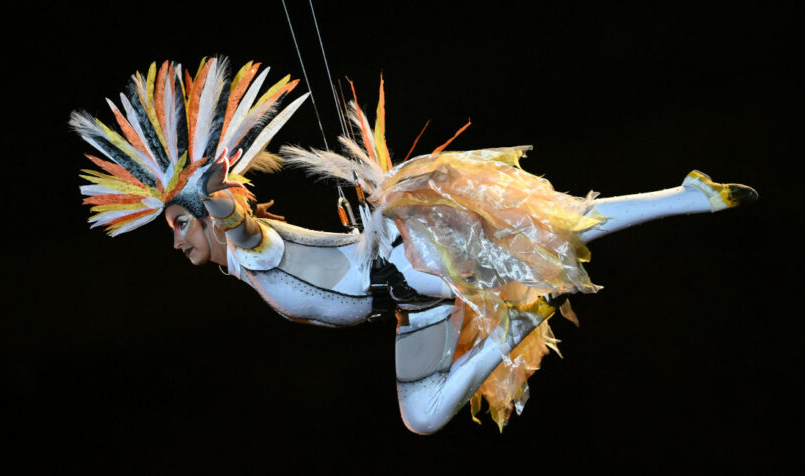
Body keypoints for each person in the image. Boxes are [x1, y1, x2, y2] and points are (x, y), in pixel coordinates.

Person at [72, 57, 757, 434]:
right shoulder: (248, 268)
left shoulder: (251, 249)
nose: (175, 242)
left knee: (542, 234)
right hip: (408, 302)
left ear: (205, 216)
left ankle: (684, 197)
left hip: (406, 261)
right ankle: (513, 328)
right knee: (422, 416)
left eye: (177, 224)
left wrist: (225, 207)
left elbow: (247, 230)